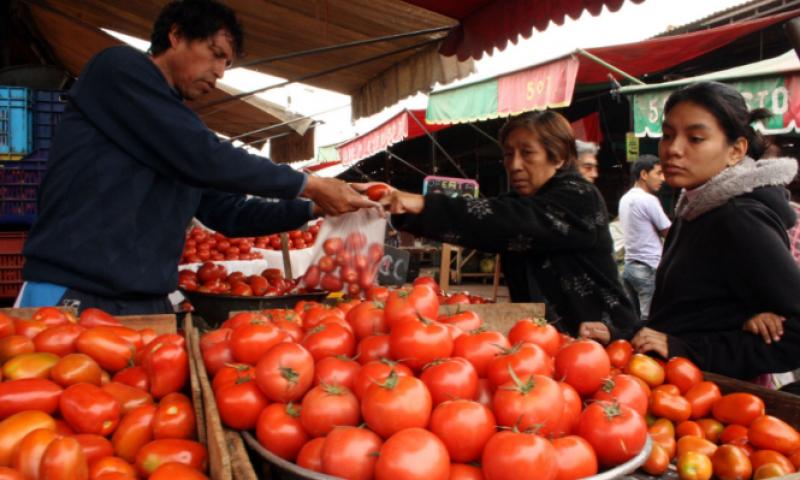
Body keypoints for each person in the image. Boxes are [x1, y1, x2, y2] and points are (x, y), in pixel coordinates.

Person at [17, 0, 376, 315]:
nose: (220, 72)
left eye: (227, 63)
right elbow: (203, 154)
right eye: (216, 53)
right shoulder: (117, 70)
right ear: (176, 35)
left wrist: (315, 208)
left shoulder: (176, 134)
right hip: (74, 292)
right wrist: (309, 184)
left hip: (144, 300)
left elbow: (230, 213)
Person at [584, 82, 800, 380]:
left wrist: (688, 350)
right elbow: (690, 316)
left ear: (736, 150)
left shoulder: (738, 220)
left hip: (720, 401)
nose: (672, 149)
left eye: (695, 138)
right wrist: (622, 333)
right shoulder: (695, 208)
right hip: (678, 389)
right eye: (668, 135)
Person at [359, 111, 639, 339]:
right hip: (552, 342)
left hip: (605, 337)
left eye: (527, 153)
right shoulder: (523, 200)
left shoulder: (579, 196)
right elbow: (480, 222)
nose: (514, 164)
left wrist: (420, 203)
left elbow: (505, 220)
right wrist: (392, 199)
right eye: (508, 154)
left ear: (559, 158)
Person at [618, 154, 671, 324]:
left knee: (633, 320)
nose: (662, 179)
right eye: (658, 173)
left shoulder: (625, 199)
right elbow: (668, 232)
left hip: (630, 268)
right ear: (644, 174)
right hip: (648, 267)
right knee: (651, 320)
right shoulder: (649, 200)